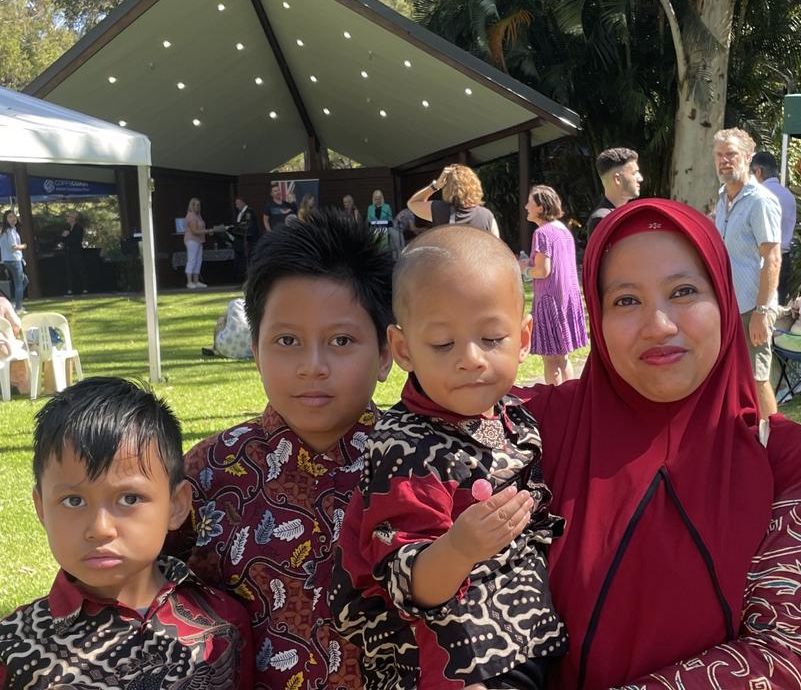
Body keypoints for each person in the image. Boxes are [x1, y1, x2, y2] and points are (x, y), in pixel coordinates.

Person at [520, 199, 801, 689]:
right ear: (597, 317)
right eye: (626, 300)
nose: (659, 326)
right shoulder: (535, 429)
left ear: (725, 301)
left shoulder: (787, 461)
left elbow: (786, 657)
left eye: (685, 291)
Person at [330, 226, 566, 689]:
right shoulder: (403, 446)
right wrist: (459, 548)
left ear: (523, 338)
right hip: (453, 664)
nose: (471, 358)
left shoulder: (516, 413)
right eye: (443, 344)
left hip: (529, 639)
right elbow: (409, 585)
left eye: (493, 338)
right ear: (402, 349)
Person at [174, 211, 394, 690]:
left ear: (384, 353)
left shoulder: (423, 465)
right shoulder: (205, 475)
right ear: (256, 350)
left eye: (341, 340)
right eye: (287, 340)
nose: (312, 367)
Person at [0, 377, 253, 688]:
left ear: (176, 505)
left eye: (129, 499)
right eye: (73, 500)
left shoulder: (223, 626)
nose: (100, 529)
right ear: (41, 507)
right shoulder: (13, 644)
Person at [713, 128, 783, 418]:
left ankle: (776, 443)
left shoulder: (760, 200)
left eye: (731, 154)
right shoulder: (722, 199)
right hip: (728, 307)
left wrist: (762, 310)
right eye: (719, 155)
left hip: (752, 307)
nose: (724, 161)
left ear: (748, 157)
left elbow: (773, 258)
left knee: (757, 378)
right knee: (731, 380)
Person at [524, 185, 588, 385]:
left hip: (549, 302)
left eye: (530, 203)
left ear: (541, 208)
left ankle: (558, 405)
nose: (526, 207)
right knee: (563, 356)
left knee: (551, 358)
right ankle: (569, 399)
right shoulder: (563, 231)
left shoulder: (542, 233)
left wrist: (524, 270)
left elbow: (543, 271)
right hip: (567, 300)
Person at [751, 151, 797, 302]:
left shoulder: (756, 195)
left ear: (758, 172)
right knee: (776, 311)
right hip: (784, 259)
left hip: (761, 261)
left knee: (755, 311)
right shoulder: (788, 196)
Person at [407, 165, 500, 238]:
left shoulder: (439, 209)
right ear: (475, 185)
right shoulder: (487, 215)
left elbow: (412, 204)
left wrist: (435, 186)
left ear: (447, 188)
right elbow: (497, 248)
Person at [586, 147, 643, 242]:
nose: (640, 178)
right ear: (618, 179)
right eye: (634, 173)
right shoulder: (603, 220)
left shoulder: (630, 213)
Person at [1, 210, 28, 312]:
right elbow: (13, 247)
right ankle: (18, 307)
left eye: (14, 216)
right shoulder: (10, 232)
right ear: (6, 220)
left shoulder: (6, 232)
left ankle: (15, 301)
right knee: (19, 284)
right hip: (14, 260)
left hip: (8, 260)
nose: (13, 218)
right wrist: (23, 246)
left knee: (25, 280)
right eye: (10, 217)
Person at [231, 197, 259, 281]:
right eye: (236, 204)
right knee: (240, 259)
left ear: (243, 202)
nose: (237, 206)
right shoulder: (239, 213)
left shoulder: (249, 212)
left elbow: (248, 225)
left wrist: (237, 228)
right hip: (240, 239)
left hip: (247, 240)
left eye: (238, 203)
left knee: (247, 258)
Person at [184, 197, 208, 289]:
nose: (199, 207)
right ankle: (189, 282)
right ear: (192, 206)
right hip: (191, 240)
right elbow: (194, 231)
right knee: (192, 260)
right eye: (197, 205)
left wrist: (207, 231)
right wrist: (208, 230)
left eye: (199, 205)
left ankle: (196, 281)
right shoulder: (191, 216)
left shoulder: (198, 215)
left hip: (199, 240)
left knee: (198, 260)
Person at [61, 210, 85, 295]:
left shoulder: (79, 228)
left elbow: (77, 239)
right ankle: (70, 289)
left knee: (79, 269)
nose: (67, 218)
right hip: (68, 252)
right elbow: (63, 240)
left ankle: (83, 288)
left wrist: (68, 235)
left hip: (76, 252)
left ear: (73, 218)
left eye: (68, 217)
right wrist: (64, 236)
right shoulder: (67, 228)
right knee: (69, 270)